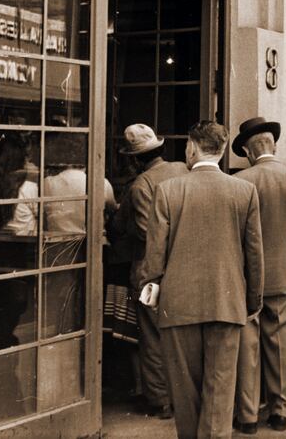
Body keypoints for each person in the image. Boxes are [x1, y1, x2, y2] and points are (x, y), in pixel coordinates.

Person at [139, 121, 264, 439]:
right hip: (227, 302)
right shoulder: (244, 191)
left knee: (185, 394)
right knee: (220, 392)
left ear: (192, 147)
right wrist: (252, 301)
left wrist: (152, 286)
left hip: (178, 305)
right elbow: (254, 255)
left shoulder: (168, 190)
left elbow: (154, 255)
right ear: (222, 151)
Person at [232, 117, 286, 434]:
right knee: (280, 344)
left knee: (247, 347)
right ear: (273, 145)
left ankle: (248, 415)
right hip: (282, 270)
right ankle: (280, 411)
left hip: (245, 277)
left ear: (249, 151)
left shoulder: (241, 180)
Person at [113, 123, 188, 420]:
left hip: (150, 269)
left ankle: (160, 399)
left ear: (134, 159)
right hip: (185, 264)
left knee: (152, 336)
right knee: (183, 335)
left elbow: (143, 231)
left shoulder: (140, 185)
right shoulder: (184, 169)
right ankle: (185, 394)